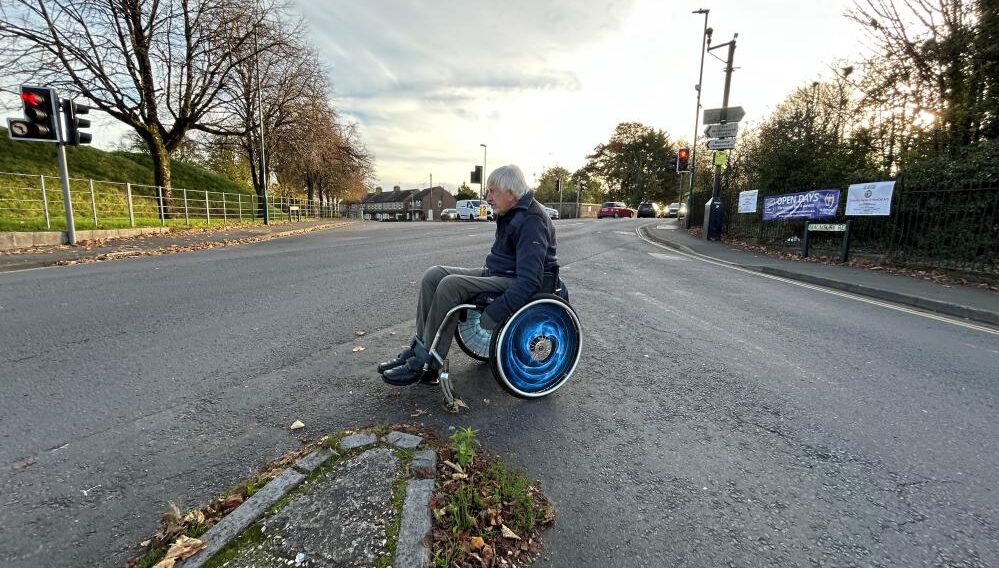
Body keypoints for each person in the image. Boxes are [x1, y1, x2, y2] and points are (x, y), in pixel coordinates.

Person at [379, 164, 558, 386]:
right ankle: (420, 348)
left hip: (517, 280)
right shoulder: (512, 211)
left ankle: (429, 365)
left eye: (493, 191)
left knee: (451, 286)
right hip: (499, 272)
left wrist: (496, 312)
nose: (488, 197)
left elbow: (530, 280)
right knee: (433, 275)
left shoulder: (532, 220)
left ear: (511, 193)